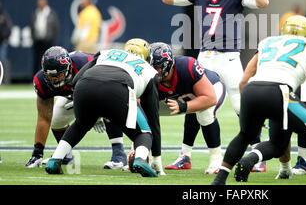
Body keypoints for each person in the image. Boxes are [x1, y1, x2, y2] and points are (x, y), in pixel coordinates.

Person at [160, 0, 269, 172]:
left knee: (241, 106)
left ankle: (258, 154)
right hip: (206, 56)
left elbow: (263, 2)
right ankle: (185, 156)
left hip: (229, 58)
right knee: (194, 103)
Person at [211, 15, 306, 185]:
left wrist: (252, 109)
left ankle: (219, 180)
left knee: (248, 136)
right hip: (279, 90)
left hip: (251, 90)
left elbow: (244, 79)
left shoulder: (267, 41)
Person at [45, 39, 161, 177]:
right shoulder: (150, 71)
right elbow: (153, 118)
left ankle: (55, 159)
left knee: (80, 125)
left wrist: (87, 106)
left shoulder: (108, 52)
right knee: (144, 132)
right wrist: (156, 158)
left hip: (84, 85)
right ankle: (141, 159)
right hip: (118, 89)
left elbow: (76, 80)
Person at [25, 46, 127, 170]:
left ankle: (119, 154)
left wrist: (96, 110)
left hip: (102, 87)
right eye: (50, 76)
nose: (55, 79)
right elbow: (43, 118)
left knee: (107, 104)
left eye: (59, 74)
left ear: (68, 68)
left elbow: (107, 83)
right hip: (75, 95)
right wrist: (37, 153)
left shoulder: (84, 63)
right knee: (56, 119)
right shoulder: (42, 82)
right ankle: (65, 155)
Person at [150, 42, 226, 174]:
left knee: (204, 113)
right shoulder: (149, 76)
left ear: (167, 65)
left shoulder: (186, 66)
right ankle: (184, 158)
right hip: (184, 97)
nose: (153, 71)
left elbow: (209, 98)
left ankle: (216, 160)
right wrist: (137, 148)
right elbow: (141, 110)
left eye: (156, 67)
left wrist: (184, 107)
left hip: (212, 89)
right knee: (145, 110)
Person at [30, 0, 59, 75]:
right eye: (39, 2)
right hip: (37, 40)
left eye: (42, 1)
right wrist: (33, 38)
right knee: (36, 61)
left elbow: (55, 27)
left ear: (46, 2)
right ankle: (35, 77)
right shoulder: (36, 13)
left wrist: (51, 38)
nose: (40, 3)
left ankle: (48, 77)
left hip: (47, 41)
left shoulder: (51, 13)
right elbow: (32, 26)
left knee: (48, 60)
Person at [0, 1, 12, 83]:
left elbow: (9, 28)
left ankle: (3, 80)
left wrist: (4, 37)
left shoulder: (4, 15)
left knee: (2, 61)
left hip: (1, 42)